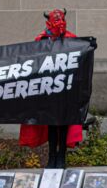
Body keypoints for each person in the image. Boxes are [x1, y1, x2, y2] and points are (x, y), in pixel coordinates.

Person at [19, 9, 82, 168]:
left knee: (64, 124)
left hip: (65, 90)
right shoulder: (41, 40)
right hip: (48, 90)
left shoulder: (71, 40)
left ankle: (62, 157)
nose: (59, 23)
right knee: (52, 125)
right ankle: (52, 156)